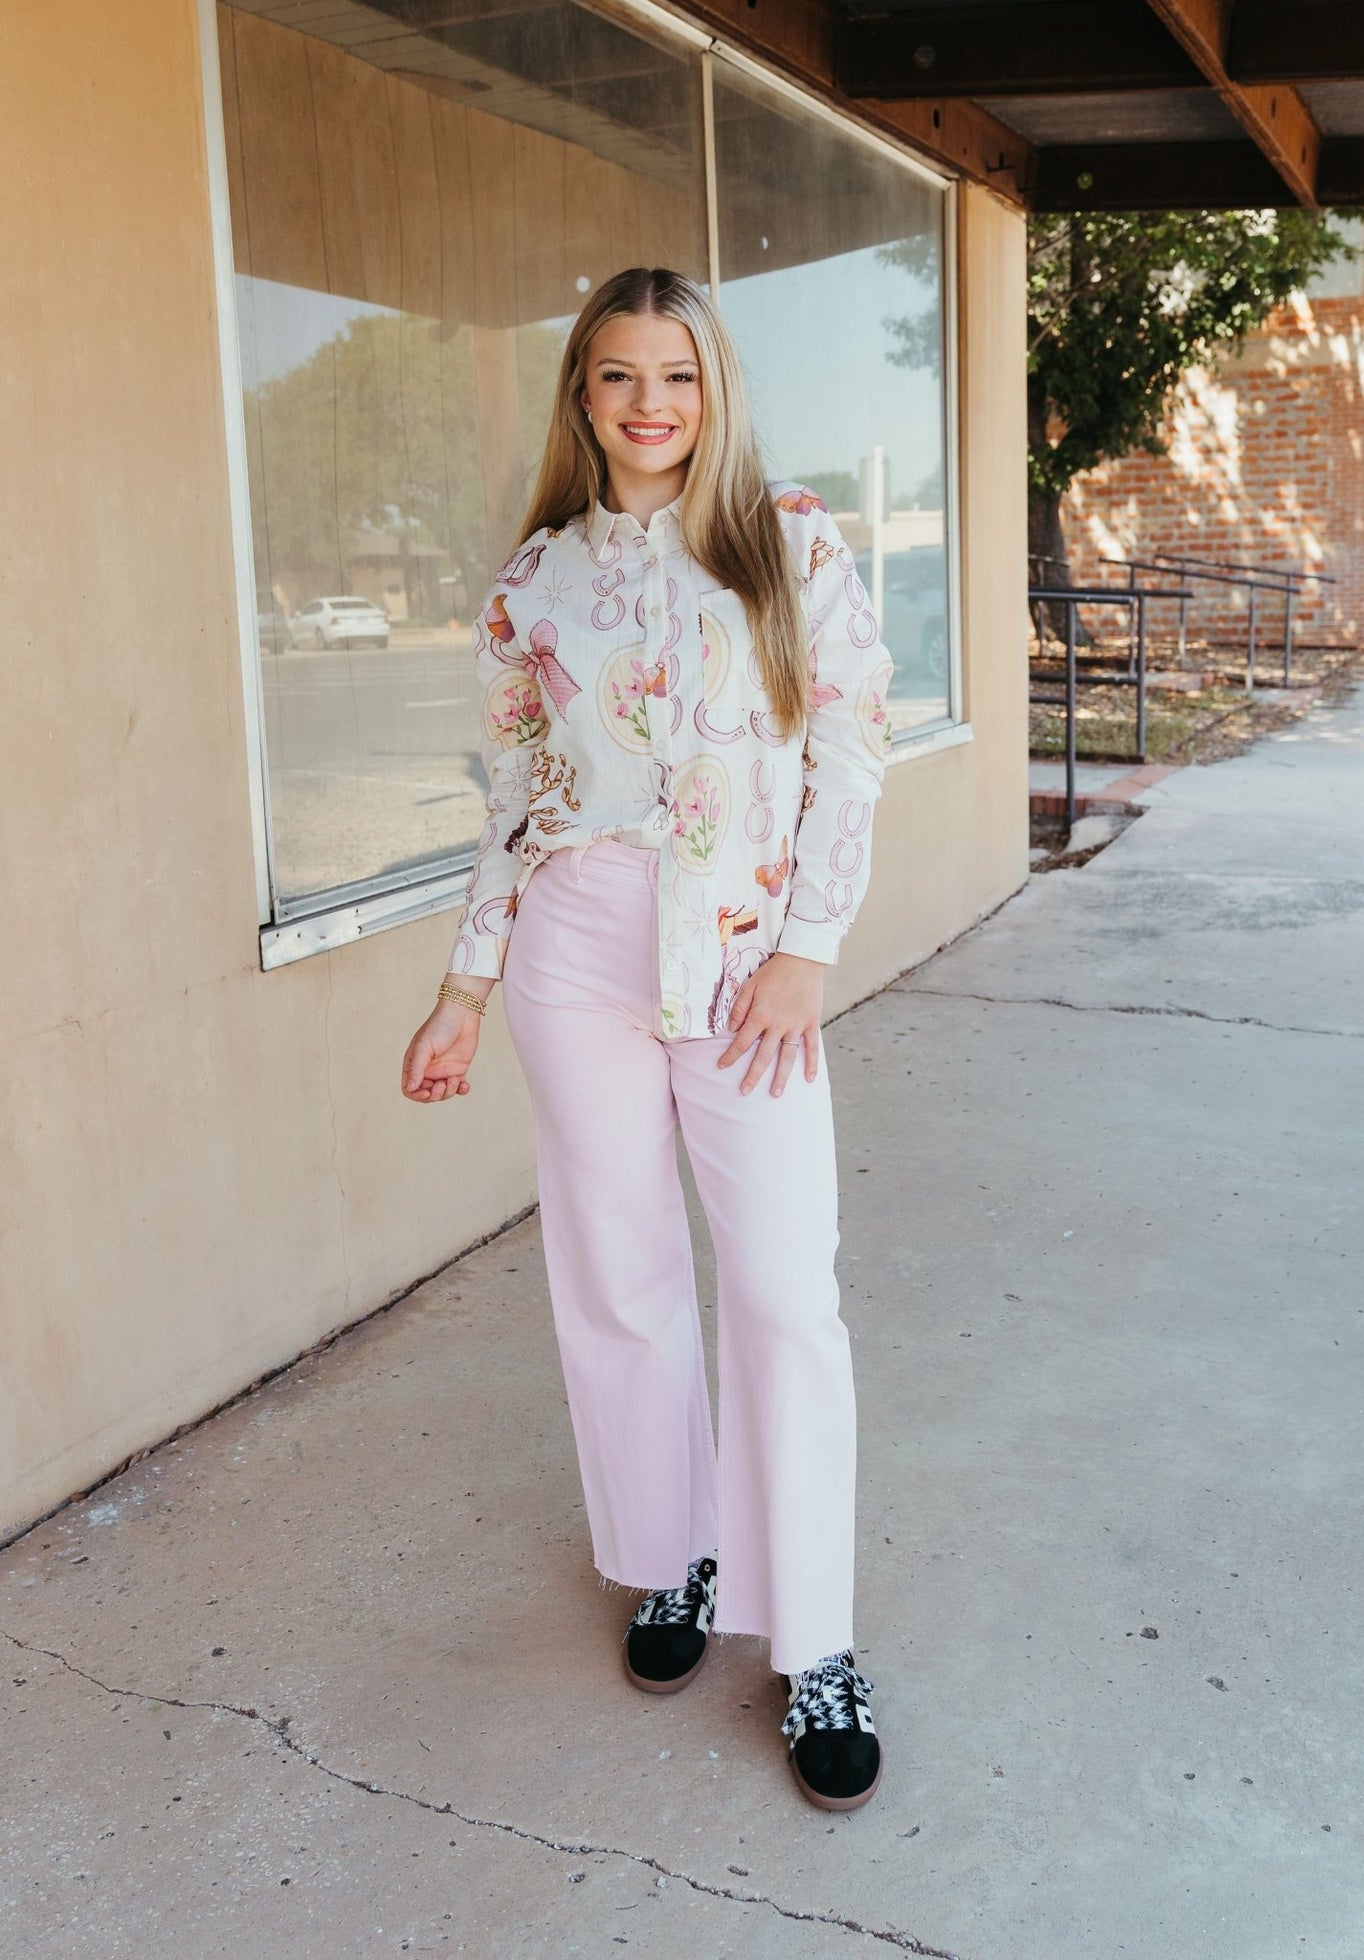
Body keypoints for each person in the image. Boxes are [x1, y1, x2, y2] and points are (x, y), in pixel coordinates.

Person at [401, 266, 894, 1811]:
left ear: (712, 384)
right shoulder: (531, 580)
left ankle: (813, 1640)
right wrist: (467, 986)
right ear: (582, 396)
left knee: (779, 1290)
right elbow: (512, 801)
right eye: (617, 377)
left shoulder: (787, 540)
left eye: (673, 374)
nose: (648, 405)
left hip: (748, 959)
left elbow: (852, 749)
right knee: (619, 1276)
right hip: (575, 955)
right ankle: (671, 1557)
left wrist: (809, 948)